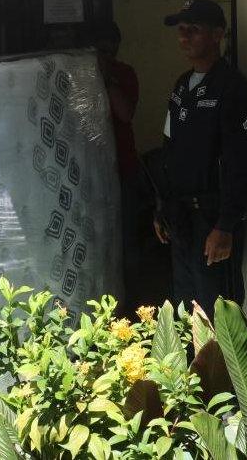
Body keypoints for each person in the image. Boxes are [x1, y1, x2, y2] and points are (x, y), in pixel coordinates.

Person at [153, 0, 247, 318]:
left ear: (217, 35)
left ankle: (220, 371)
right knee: (186, 312)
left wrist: (225, 225)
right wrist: (162, 208)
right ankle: (191, 370)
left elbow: (242, 163)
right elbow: (169, 149)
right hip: (181, 219)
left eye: (193, 30)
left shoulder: (232, 87)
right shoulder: (182, 85)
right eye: (181, 30)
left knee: (218, 314)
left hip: (212, 220)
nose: (184, 37)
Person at [92, 22, 142, 312]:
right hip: (91, 173)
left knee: (127, 244)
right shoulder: (80, 77)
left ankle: (131, 306)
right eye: (100, 49)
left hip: (124, 169)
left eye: (110, 48)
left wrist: (107, 78)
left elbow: (126, 112)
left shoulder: (124, 74)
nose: (106, 54)